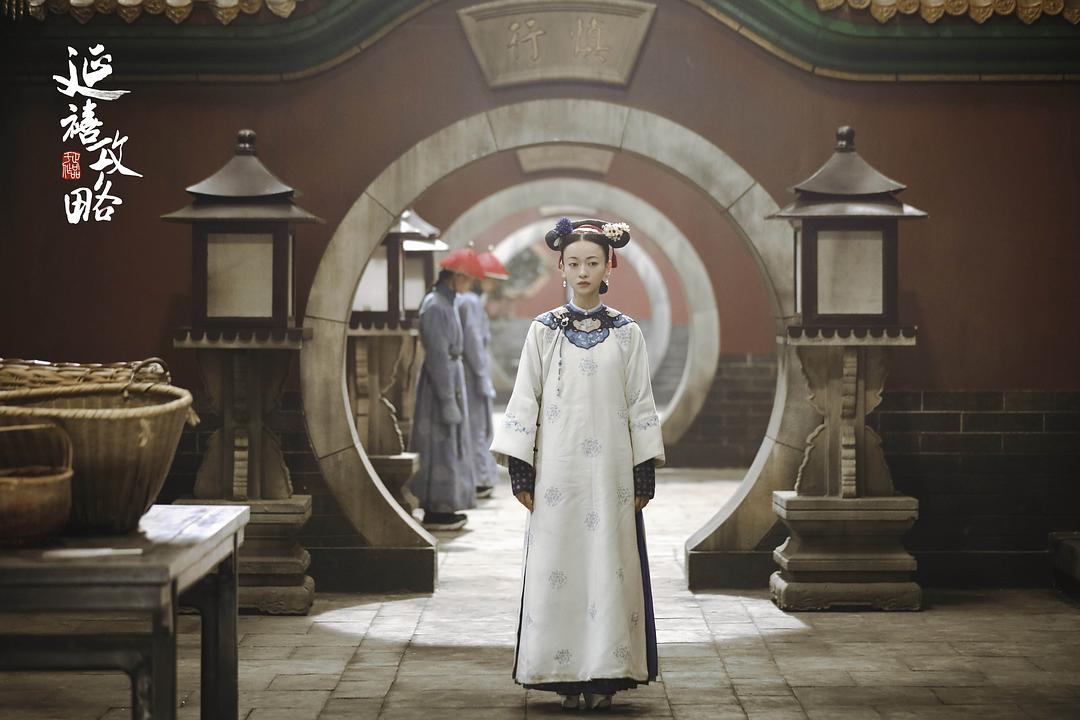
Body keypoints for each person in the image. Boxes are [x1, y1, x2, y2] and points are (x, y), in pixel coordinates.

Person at [490, 217, 664, 711]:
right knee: (558, 565)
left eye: (592, 262)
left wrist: (643, 471)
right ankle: (563, 674)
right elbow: (525, 398)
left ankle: (607, 674)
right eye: (573, 263)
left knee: (610, 564)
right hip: (558, 474)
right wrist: (521, 469)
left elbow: (640, 402)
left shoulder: (627, 333)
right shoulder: (543, 331)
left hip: (612, 473)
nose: (582, 271)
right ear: (561, 268)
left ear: (609, 266)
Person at [410, 247, 486, 531]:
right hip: (440, 382)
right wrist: (446, 398)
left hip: (451, 376)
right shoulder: (436, 305)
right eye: (469, 279)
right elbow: (438, 354)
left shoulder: (447, 302)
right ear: (457, 276)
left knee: (450, 442)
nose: (470, 285)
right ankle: (436, 507)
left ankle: (447, 504)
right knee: (440, 444)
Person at [457, 247, 508, 499]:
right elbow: (473, 340)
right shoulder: (470, 301)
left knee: (478, 425)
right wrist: (481, 375)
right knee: (476, 425)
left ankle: (479, 476)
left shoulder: (471, 300)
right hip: (471, 371)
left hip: (472, 368)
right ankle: (479, 477)